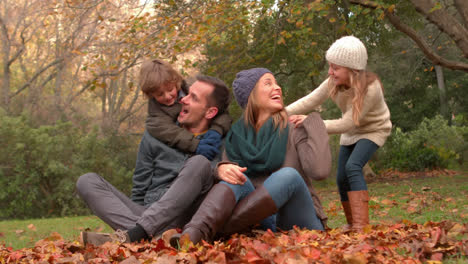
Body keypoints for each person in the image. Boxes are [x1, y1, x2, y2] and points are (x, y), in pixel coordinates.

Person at [170, 68, 332, 247]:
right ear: (251, 96)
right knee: (234, 176)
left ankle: (217, 231)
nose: (277, 88)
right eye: (268, 83)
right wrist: (220, 170)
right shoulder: (235, 139)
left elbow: (320, 171)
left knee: (288, 176)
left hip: (303, 224)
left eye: (276, 83)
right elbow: (226, 190)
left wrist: (315, 122)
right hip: (266, 226)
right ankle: (193, 234)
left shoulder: (294, 129)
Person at [76, 75, 232, 246]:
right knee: (87, 181)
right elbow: (140, 184)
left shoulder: (224, 141)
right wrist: (140, 216)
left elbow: (226, 187)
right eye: (187, 94)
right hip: (148, 210)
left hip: (186, 217)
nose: (183, 99)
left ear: (210, 112)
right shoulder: (158, 135)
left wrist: (215, 169)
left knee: (200, 162)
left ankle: (139, 234)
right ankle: (147, 235)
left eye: (193, 98)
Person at [286, 36, 392, 231]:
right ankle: (352, 223)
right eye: (330, 66)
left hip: (374, 130)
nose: (330, 71)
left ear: (353, 70)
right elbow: (309, 101)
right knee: (341, 177)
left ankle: (362, 226)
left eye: (335, 67)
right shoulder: (333, 82)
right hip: (352, 132)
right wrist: (280, 113)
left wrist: (312, 122)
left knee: (353, 167)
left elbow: (347, 122)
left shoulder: (371, 88)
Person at [141, 59, 232, 163]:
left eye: (170, 89)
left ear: (176, 82)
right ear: (151, 95)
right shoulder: (157, 115)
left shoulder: (186, 90)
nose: (167, 96)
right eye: (160, 94)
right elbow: (171, 133)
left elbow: (221, 112)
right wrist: (195, 144)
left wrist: (216, 130)